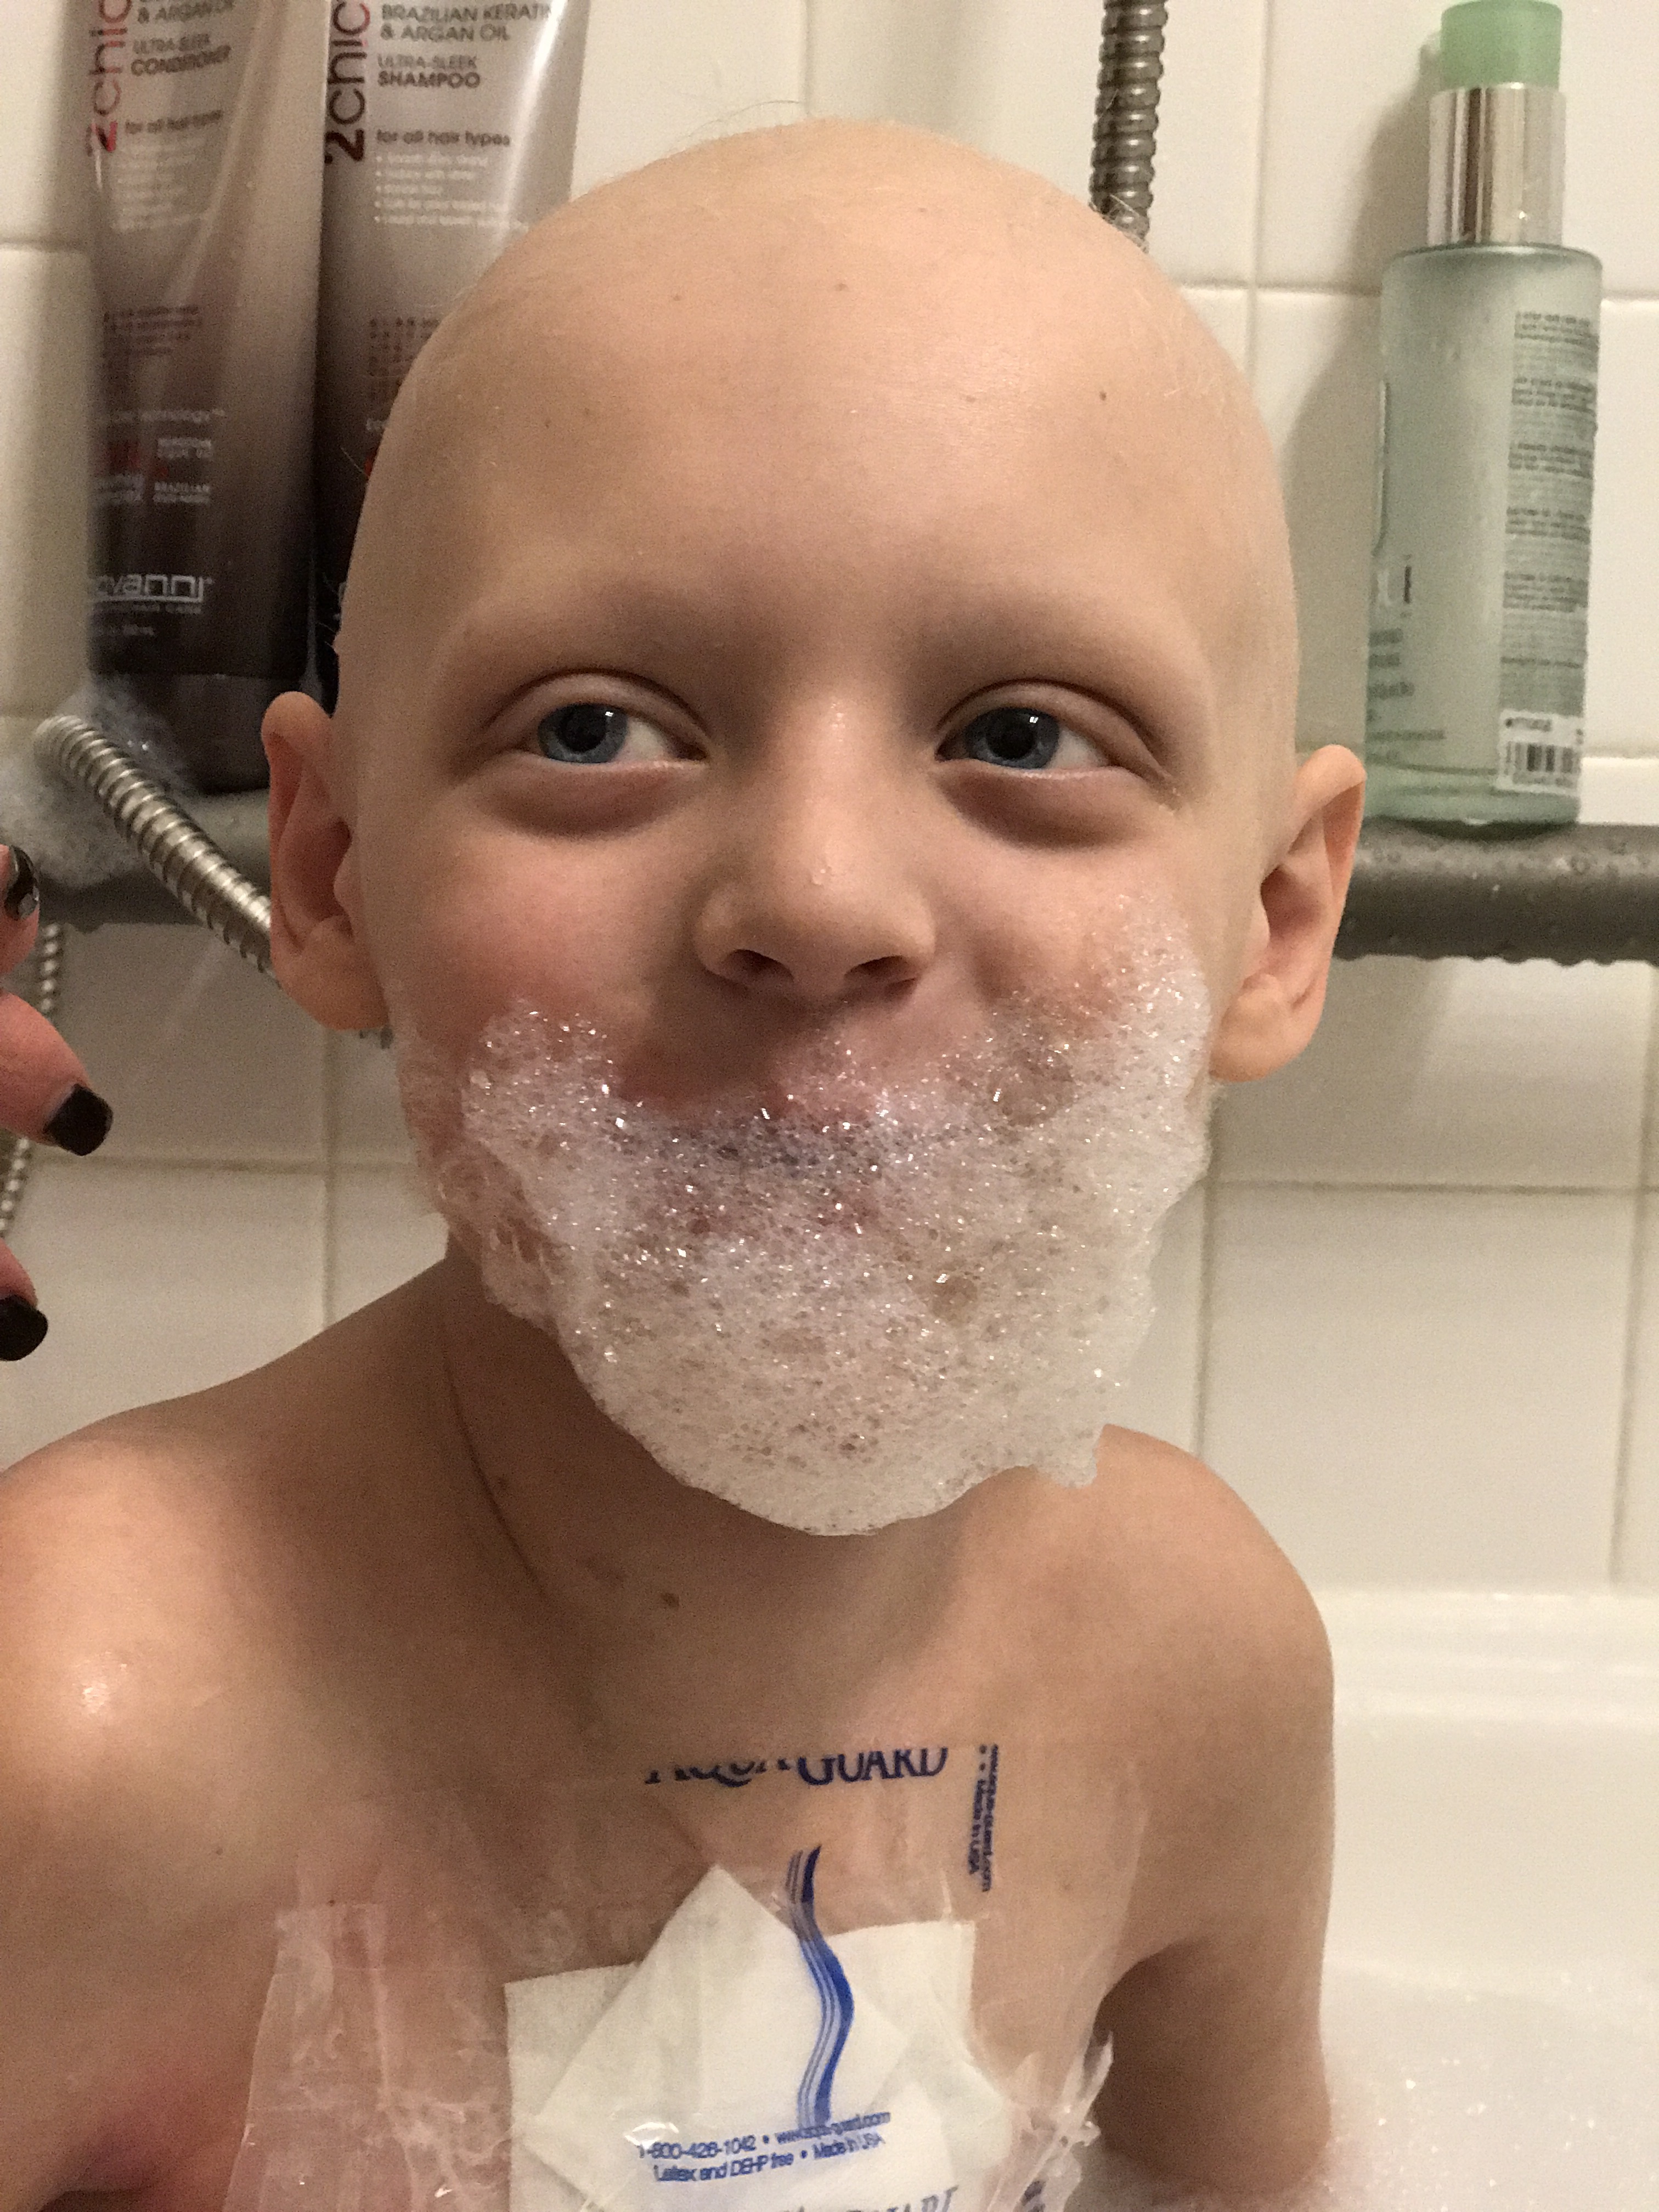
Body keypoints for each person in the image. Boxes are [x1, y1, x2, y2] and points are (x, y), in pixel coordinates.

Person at [0, 122, 1364, 2209]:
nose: (814, 899)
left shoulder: (1195, 1685)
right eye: (596, 728)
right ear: (334, 868)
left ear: (1273, 924)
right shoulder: (75, 1735)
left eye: (1022, 737)